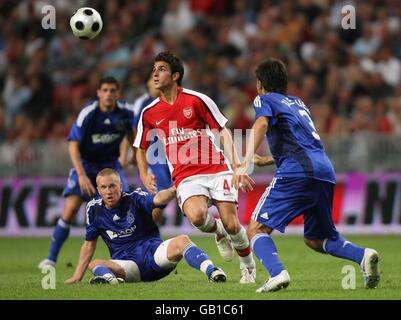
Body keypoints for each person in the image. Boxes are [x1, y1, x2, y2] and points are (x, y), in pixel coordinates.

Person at [232, 58, 380, 292]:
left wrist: (246, 160)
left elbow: (260, 123)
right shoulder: (298, 103)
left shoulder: (264, 99)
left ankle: (277, 273)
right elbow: (303, 144)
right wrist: (268, 160)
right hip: (324, 172)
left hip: (296, 173)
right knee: (316, 239)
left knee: (256, 229)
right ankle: (363, 255)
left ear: (260, 84)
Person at [133, 51, 256, 284]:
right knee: (198, 218)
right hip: (185, 176)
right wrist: (142, 172)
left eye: (161, 69)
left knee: (233, 223)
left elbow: (221, 131)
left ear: (176, 75)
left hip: (216, 169)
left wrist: (237, 166)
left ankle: (248, 266)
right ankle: (218, 231)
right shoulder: (149, 112)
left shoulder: (196, 100)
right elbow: (140, 146)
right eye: (154, 69)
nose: (155, 74)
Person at [64, 168, 226, 284]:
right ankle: (112, 281)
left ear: (120, 186)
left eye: (112, 186)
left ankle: (213, 271)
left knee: (182, 241)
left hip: (155, 257)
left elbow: (158, 200)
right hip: (128, 267)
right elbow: (89, 244)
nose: (109, 191)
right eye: (104, 187)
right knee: (94, 263)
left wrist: (176, 188)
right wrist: (78, 275)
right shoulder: (94, 209)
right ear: (98, 190)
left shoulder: (135, 198)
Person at [38, 77, 135, 268]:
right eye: (105, 90)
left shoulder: (125, 113)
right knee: (71, 209)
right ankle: (51, 258)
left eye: (112, 90)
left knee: (125, 207)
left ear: (118, 93)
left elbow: (129, 135)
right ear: (98, 93)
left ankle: (128, 256)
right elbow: (73, 145)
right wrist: (81, 175)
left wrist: (126, 156)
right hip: (86, 165)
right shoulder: (88, 114)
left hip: (111, 166)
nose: (108, 94)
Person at [125, 70, 173, 222]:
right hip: (154, 154)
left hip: (173, 153)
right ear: (147, 83)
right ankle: (146, 230)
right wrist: (134, 154)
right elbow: (134, 130)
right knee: (161, 192)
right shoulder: (143, 103)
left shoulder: (171, 101)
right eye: (153, 79)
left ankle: (147, 230)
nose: (156, 82)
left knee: (162, 196)